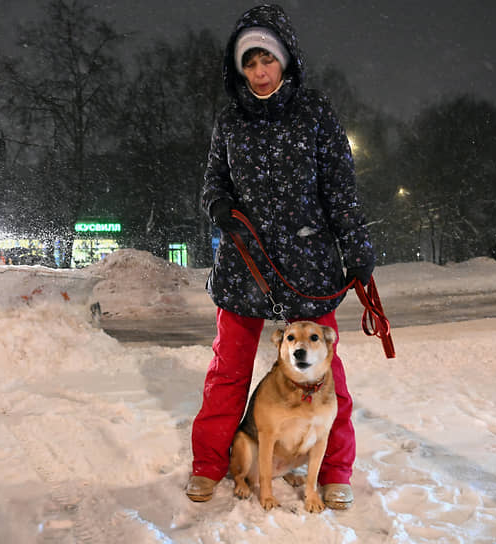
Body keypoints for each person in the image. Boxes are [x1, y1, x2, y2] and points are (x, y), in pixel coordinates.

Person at [186, 4, 375, 510]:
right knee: (227, 375)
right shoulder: (229, 120)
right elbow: (213, 182)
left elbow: (340, 189)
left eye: (267, 60)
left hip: (308, 267)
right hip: (245, 270)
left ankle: (334, 471)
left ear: (285, 60)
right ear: (240, 69)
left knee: (326, 376)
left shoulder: (315, 112)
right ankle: (208, 465)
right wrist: (218, 204)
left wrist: (356, 248)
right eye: (249, 63)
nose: (260, 72)